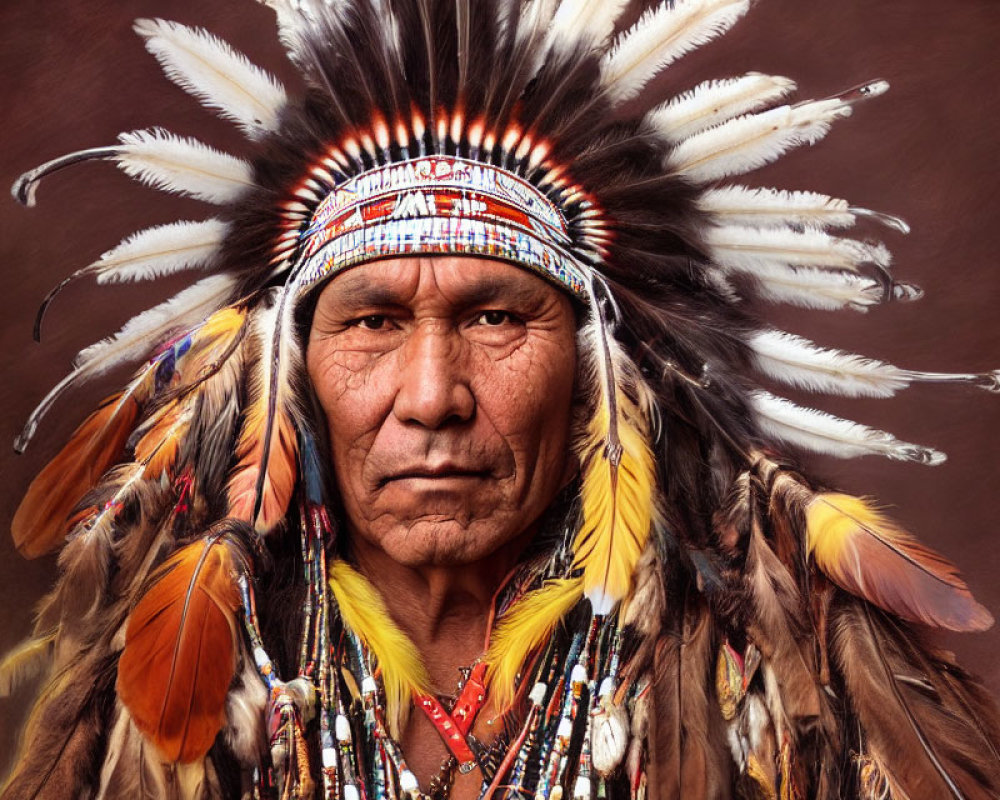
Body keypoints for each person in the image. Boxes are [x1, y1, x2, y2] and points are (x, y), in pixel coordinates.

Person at [2, 1, 1000, 798]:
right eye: (371, 321)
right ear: (289, 378)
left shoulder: (785, 683)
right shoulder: (187, 689)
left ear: (593, 380)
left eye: (494, 317)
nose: (431, 397)